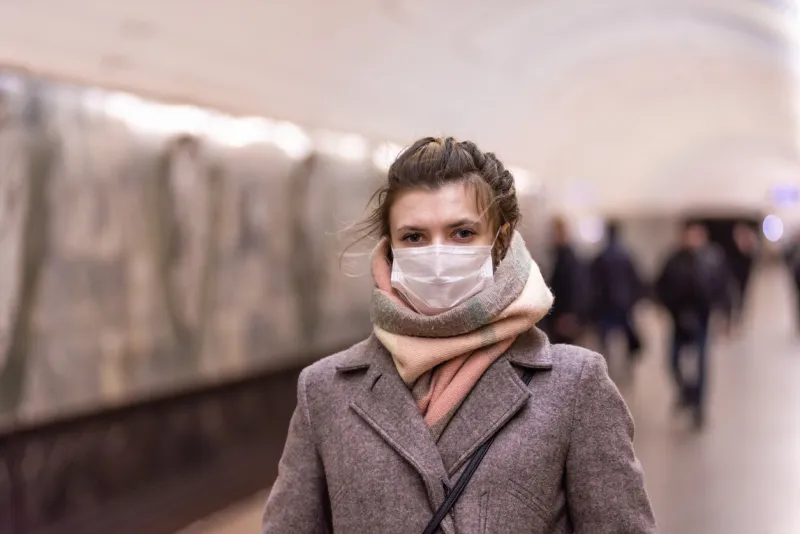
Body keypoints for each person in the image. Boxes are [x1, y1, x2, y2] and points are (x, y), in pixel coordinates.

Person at [262, 137, 656, 533]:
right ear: (391, 248)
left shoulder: (575, 388)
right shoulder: (325, 392)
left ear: (500, 240)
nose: (437, 256)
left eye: (462, 233)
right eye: (414, 237)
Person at [656, 222, 717, 430]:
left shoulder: (710, 260)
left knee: (701, 366)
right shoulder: (673, 260)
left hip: (701, 320)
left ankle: (698, 406)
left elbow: (721, 286)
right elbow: (660, 285)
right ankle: (686, 393)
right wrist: (665, 306)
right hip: (678, 319)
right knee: (673, 361)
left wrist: (725, 312)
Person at [590, 220, 643, 362]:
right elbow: (636, 281)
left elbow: (593, 283)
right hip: (623, 303)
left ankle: (606, 364)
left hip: (605, 304)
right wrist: (633, 299)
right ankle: (627, 362)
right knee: (627, 335)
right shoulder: (626, 256)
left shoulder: (600, 257)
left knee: (605, 338)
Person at [544, 217, 588, 345]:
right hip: (558, 313)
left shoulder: (567, 256)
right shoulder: (558, 254)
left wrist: (569, 314)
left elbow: (572, 287)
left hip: (563, 314)